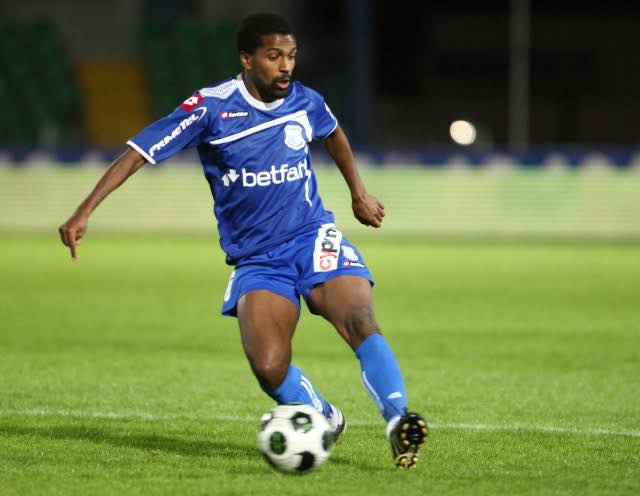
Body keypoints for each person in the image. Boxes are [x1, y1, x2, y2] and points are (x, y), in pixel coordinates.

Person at [58, 12, 427, 469]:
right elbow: (138, 153)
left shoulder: (305, 101)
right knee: (269, 366)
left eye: (291, 55)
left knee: (358, 317)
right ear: (247, 59)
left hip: (312, 236)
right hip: (257, 258)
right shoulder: (210, 109)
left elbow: (332, 132)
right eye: (273, 56)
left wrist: (358, 193)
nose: (285, 66)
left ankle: (398, 421)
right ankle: (322, 414)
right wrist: (85, 209)